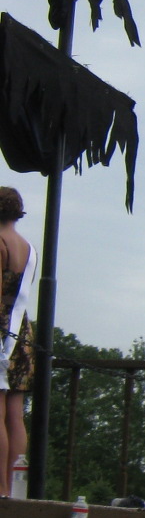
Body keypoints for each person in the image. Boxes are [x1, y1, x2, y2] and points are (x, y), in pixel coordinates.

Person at [0, 187, 35, 493]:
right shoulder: (28, 247)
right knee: (15, 414)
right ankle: (13, 489)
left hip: (0, 335)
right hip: (21, 335)